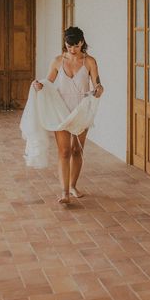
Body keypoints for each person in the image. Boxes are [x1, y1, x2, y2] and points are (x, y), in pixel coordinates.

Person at [32, 27, 104, 204]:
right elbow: (48, 82)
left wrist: (99, 89)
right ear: (65, 43)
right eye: (69, 45)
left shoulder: (90, 62)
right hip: (61, 111)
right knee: (64, 151)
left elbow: (97, 83)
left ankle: (73, 186)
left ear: (82, 43)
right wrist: (39, 86)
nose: (72, 49)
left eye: (76, 46)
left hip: (81, 110)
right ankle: (64, 192)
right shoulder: (57, 61)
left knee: (77, 150)